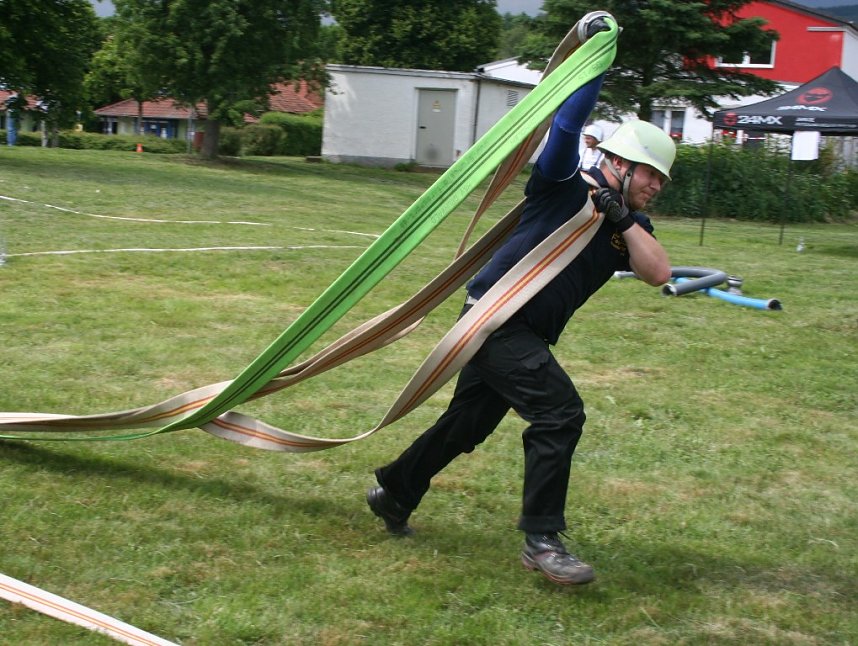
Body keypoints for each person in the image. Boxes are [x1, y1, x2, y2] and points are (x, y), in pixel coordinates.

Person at [366, 15, 676, 586]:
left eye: (661, 179)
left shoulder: (630, 224)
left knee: (466, 426)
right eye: (649, 174)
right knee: (560, 414)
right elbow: (566, 126)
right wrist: (594, 59)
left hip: (525, 334)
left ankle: (394, 491)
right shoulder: (562, 186)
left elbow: (658, 272)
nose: (656, 185)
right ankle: (542, 540)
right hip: (496, 319)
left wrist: (621, 215)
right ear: (618, 162)